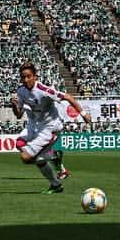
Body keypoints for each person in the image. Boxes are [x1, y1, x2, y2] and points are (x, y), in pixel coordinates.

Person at [11, 62, 91, 194]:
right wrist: (15, 106)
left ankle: (52, 157)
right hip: (35, 125)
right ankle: (55, 181)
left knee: (26, 158)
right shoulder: (21, 91)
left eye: (28, 76)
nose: (26, 80)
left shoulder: (44, 90)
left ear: (35, 77)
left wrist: (83, 114)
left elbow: (68, 97)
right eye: (23, 77)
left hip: (50, 127)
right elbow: (19, 115)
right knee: (20, 144)